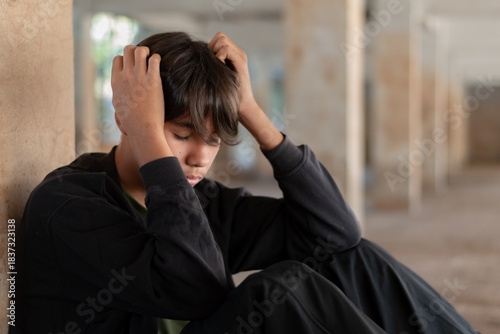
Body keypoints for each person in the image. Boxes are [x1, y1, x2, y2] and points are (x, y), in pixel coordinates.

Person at [13, 32, 478, 334]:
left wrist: (253, 112)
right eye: (179, 135)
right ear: (129, 119)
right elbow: (196, 292)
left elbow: (337, 234)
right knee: (281, 290)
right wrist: (151, 138)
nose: (198, 158)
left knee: (355, 259)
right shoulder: (68, 204)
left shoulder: (204, 202)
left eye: (212, 142)